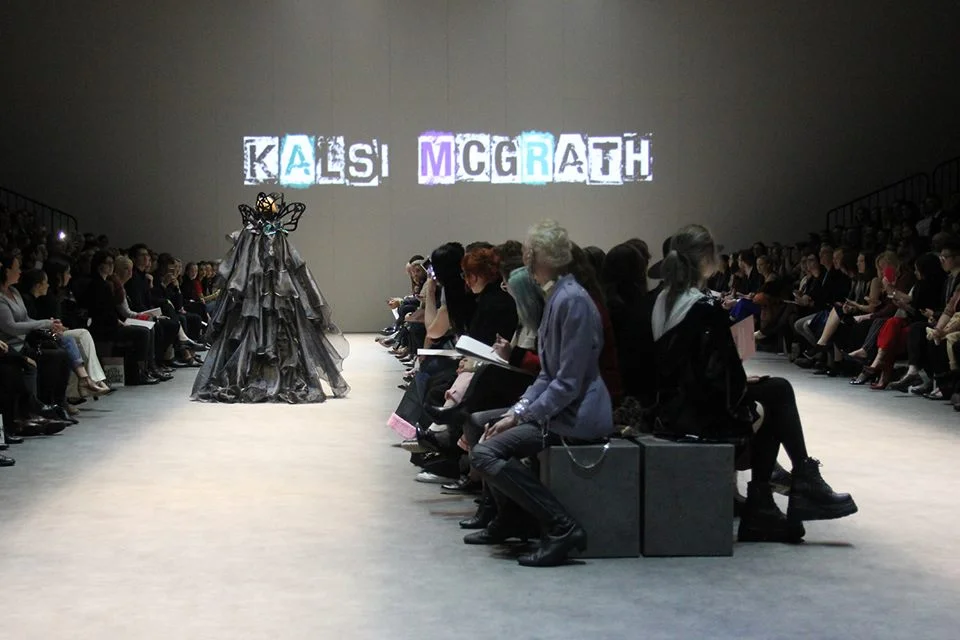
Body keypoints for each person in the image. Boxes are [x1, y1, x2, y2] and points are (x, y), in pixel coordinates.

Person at [645, 224, 857, 543]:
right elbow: (722, 377)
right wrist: (743, 388)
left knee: (774, 391)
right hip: (698, 416)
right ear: (706, 259)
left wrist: (742, 384)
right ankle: (783, 493)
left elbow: (697, 368)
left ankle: (780, 495)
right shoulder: (703, 308)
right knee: (775, 397)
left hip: (672, 408)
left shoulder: (663, 301)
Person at [466, 220, 614, 567]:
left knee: (485, 453)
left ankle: (562, 526)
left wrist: (519, 416)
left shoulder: (572, 302)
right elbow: (549, 375)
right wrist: (514, 412)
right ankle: (511, 518)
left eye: (530, 252)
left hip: (577, 417)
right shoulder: (560, 296)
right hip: (563, 410)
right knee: (478, 422)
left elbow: (566, 383)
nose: (525, 258)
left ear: (541, 256)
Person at [191, 192, 349, 403]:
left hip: (266, 292)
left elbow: (253, 264)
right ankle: (268, 377)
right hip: (265, 293)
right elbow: (285, 264)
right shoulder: (265, 232)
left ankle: (251, 376)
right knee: (271, 331)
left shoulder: (257, 232)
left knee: (259, 330)